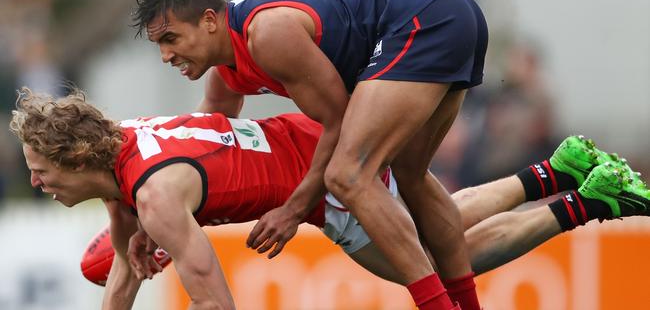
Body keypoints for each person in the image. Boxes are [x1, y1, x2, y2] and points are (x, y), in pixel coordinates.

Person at [11, 87, 649, 309]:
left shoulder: (152, 198)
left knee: (441, 258)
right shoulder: (120, 145)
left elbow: (213, 299)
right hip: (307, 139)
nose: (36, 182)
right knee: (441, 219)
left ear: (75, 157)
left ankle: (589, 200)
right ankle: (557, 169)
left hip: (319, 186)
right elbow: (123, 271)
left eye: (40, 170)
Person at [133, 0, 488, 309]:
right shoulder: (229, 65)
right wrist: (163, 224)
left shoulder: (267, 35)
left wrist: (293, 210)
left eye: (171, 39)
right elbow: (202, 141)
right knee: (409, 174)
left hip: (428, 21)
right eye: (159, 45)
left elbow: (337, 121)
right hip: (447, 13)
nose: (166, 55)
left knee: (347, 175)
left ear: (209, 21)